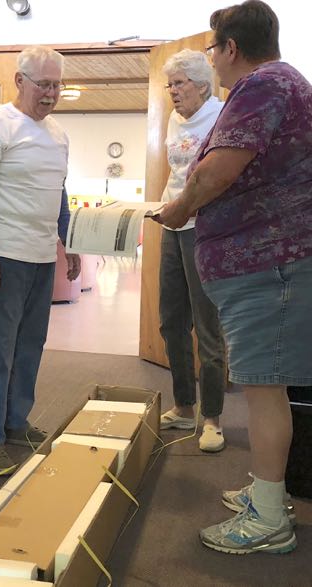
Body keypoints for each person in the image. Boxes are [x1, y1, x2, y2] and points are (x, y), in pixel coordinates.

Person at [158, 0, 312, 555]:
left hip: (269, 263)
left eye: (211, 48)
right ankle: (266, 493)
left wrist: (178, 210)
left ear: (230, 49)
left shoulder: (264, 84)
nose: (211, 59)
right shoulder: (278, 84)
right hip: (264, 262)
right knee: (264, 385)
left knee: (265, 390)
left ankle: (270, 518)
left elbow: (217, 170)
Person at [0, 46, 81, 475]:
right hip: (3, 258)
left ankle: (14, 422)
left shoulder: (59, 135)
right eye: (43, 84)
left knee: (30, 347)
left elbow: (58, 194)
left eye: (57, 85)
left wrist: (71, 241)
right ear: (19, 81)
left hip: (42, 257)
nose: (50, 93)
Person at [157, 49, 228, 452]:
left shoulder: (222, 115)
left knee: (207, 327)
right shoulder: (173, 119)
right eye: (169, 85)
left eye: (179, 83)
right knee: (171, 321)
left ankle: (212, 417)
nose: (172, 92)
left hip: (206, 230)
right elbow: (178, 172)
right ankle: (184, 406)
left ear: (202, 84)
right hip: (172, 224)